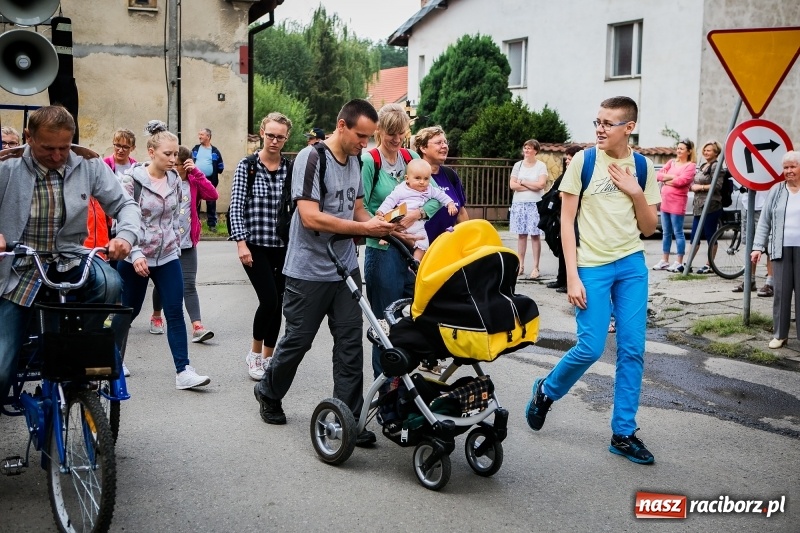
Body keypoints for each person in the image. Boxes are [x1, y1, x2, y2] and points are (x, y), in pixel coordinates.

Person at [253, 99, 396, 448]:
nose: (365, 143)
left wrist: (380, 225)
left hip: (344, 268)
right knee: (298, 341)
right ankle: (268, 391)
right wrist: (363, 229)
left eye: (369, 137)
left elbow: (358, 209)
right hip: (307, 270)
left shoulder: (357, 160)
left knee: (350, 346)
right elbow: (309, 217)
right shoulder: (312, 158)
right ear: (342, 125)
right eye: (361, 135)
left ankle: (348, 418)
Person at [525, 96, 660, 465]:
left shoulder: (643, 167)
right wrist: (572, 276)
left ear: (628, 128)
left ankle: (623, 433)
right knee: (591, 347)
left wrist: (635, 191)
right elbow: (566, 222)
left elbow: (650, 227)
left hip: (631, 265)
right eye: (597, 122)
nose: (600, 129)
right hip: (592, 266)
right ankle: (546, 391)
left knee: (632, 350)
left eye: (608, 123)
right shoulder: (584, 162)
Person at [0, 105, 140, 402]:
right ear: (29, 137)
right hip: (19, 266)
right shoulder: (7, 167)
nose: (57, 156)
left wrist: (125, 236)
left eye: (63, 147)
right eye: (48, 148)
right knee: (1, 368)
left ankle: (82, 358)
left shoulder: (87, 164)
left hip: (71, 257)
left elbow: (125, 204)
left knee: (111, 283)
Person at [115, 120, 211, 390]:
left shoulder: (175, 180)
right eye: (167, 154)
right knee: (128, 311)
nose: (173, 159)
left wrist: (176, 246)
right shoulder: (131, 180)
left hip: (167, 256)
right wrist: (135, 253)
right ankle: (113, 359)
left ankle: (183, 371)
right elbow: (122, 220)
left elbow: (174, 219)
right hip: (135, 258)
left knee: (174, 311)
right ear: (151, 152)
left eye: (175, 154)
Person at [361, 103, 431, 378]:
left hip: (412, 250)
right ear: (379, 131)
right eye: (391, 133)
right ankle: (385, 386)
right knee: (385, 324)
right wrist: (391, 231)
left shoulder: (410, 156)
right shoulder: (370, 161)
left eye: (401, 132)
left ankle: (405, 383)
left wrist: (418, 213)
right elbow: (361, 210)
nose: (397, 138)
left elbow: (435, 197)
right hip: (382, 250)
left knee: (412, 317)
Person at [229, 112, 293, 380]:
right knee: (268, 300)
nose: (274, 141)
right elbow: (236, 206)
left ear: (286, 138)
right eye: (270, 136)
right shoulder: (248, 166)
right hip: (255, 245)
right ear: (262, 133)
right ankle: (254, 354)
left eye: (280, 137)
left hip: (283, 246)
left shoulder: (290, 168)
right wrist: (241, 244)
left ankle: (268, 357)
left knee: (278, 303)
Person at [149, 145, 218, 344]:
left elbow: (212, 195)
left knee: (188, 285)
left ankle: (197, 327)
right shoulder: (165, 181)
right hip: (165, 243)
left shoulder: (193, 182)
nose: (174, 166)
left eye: (178, 164)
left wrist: (196, 172)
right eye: (173, 163)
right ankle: (156, 316)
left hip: (187, 243)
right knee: (162, 284)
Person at [751, 151, 800, 349]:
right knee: (781, 293)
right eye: (786, 167)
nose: (789, 171)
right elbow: (765, 221)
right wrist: (757, 247)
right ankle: (780, 335)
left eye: (793, 166)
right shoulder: (776, 190)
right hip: (780, 249)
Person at [376, 159, 457, 261]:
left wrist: (450, 203)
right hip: (400, 219)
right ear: (407, 179)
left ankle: (416, 262)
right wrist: (382, 210)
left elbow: (441, 195)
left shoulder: (430, 189)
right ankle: (385, 237)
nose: (422, 182)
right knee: (389, 216)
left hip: (418, 225)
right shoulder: (401, 189)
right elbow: (390, 200)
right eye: (417, 178)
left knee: (424, 242)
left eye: (426, 179)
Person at [414, 126, 469, 245]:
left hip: (446, 247)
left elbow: (461, 212)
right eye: (439, 143)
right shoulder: (413, 176)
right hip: (419, 248)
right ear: (423, 148)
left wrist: (468, 239)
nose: (444, 146)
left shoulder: (450, 175)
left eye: (445, 142)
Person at [544, 144, 584, 293]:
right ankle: (561, 279)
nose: (567, 161)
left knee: (571, 250)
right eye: (566, 158)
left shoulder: (580, 175)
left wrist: (560, 195)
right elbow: (556, 190)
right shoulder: (566, 174)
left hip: (575, 217)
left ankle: (569, 282)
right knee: (562, 248)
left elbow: (572, 195)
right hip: (561, 215)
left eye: (570, 158)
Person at [653, 139, 696, 273]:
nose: (678, 151)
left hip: (678, 202)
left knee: (678, 232)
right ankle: (665, 260)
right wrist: (672, 177)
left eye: (681, 149)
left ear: (689, 151)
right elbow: (658, 175)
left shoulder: (690, 166)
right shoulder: (671, 162)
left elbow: (682, 181)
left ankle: (679, 261)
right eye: (678, 148)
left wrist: (668, 179)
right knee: (666, 232)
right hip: (665, 201)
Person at [509, 139, 549, 279]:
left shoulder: (541, 166)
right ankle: (520, 265)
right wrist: (532, 185)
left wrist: (523, 182)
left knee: (535, 235)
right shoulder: (518, 165)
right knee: (521, 235)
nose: (526, 150)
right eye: (525, 147)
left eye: (530, 148)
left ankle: (536, 267)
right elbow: (512, 185)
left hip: (535, 204)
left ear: (535, 151)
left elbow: (541, 185)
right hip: (519, 203)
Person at [686, 140, 724, 274]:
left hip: (711, 205)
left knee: (710, 235)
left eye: (709, 150)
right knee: (694, 236)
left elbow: (717, 185)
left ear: (716, 153)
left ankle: (709, 264)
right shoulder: (703, 165)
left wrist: (700, 187)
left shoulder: (716, 166)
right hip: (698, 205)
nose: (706, 152)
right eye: (705, 150)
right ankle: (688, 263)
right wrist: (693, 186)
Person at [734, 188, 774, 295]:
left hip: (764, 204)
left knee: (770, 246)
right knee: (750, 245)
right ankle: (750, 280)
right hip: (747, 204)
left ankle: (770, 283)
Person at [191, 128, 224, 232]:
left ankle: (212, 224)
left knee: (211, 202)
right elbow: (189, 161)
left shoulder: (215, 151)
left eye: (202, 134)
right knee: (196, 201)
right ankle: (195, 224)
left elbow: (220, 167)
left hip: (209, 180)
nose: (199, 136)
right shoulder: (195, 149)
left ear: (208, 137)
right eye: (199, 134)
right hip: (196, 179)